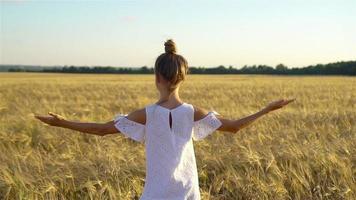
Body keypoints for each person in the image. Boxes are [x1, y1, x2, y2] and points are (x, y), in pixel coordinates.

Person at [34, 39, 295, 200]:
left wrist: (62, 122)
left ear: (156, 77)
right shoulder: (193, 112)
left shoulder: (147, 114)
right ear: (183, 78)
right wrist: (267, 109)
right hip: (188, 195)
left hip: (155, 195)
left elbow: (101, 130)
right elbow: (235, 127)